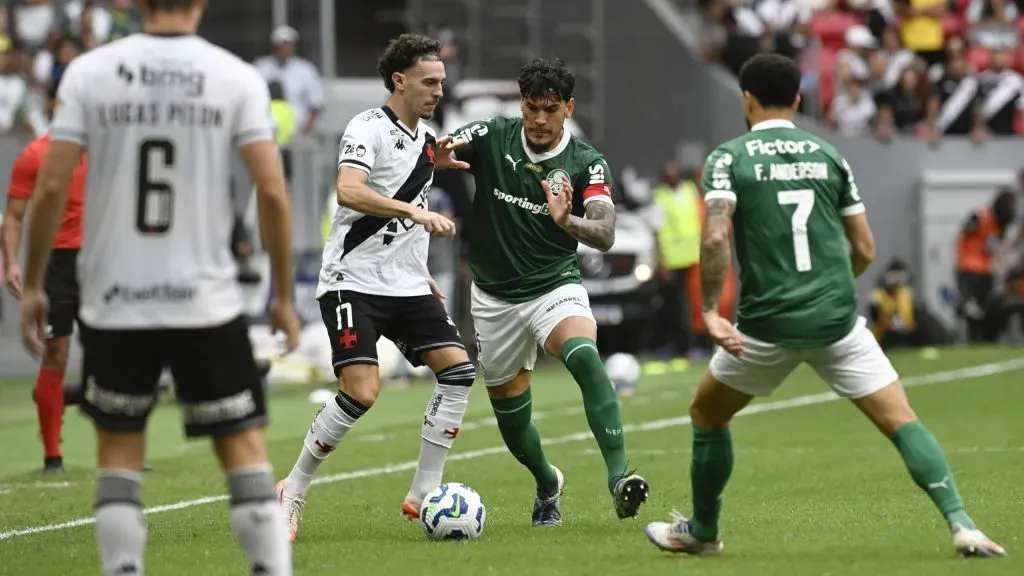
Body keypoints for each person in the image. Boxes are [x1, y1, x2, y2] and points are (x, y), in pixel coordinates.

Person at [643, 53, 1006, 558]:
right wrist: (830, 286)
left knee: (706, 413)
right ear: (797, 99)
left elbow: (715, 238)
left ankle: (703, 532)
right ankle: (963, 524)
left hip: (766, 326)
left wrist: (708, 311)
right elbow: (865, 248)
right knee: (902, 420)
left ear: (746, 99)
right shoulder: (829, 154)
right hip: (836, 321)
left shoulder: (728, 157)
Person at [18, 1, 300, 574]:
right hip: (205, 301)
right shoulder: (234, 76)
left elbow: (49, 190)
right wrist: (283, 298)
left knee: (119, 455)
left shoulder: (90, 73)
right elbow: (272, 193)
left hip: (117, 302)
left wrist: (34, 286)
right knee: (243, 450)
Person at [275, 33, 475, 541]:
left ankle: (424, 491)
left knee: (458, 372)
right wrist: (412, 208)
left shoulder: (427, 140)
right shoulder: (367, 126)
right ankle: (293, 488)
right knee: (362, 392)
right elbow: (350, 189)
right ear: (399, 80)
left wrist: (421, 269)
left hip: (406, 284)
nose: (437, 91)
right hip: (352, 283)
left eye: (442, 83)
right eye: (429, 82)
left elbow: (407, 192)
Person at [450, 58, 649, 526]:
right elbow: (435, 152)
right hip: (495, 299)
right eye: (531, 107)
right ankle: (547, 481)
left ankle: (619, 477)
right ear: (521, 104)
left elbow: (604, 232)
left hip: (553, 285)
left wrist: (566, 221)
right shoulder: (490, 135)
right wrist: (431, 157)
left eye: (550, 109)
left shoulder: (585, 162)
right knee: (514, 425)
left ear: (568, 108)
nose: (539, 119)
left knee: (583, 354)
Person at [2, 76, 84, 475]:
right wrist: (12, 263)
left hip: (104, 258)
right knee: (57, 353)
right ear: (52, 104)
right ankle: (53, 456)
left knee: (119, 353)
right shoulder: (34, 155)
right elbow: (14, 218)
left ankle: (120, 453)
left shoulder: (103, 148)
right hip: (56, 262)